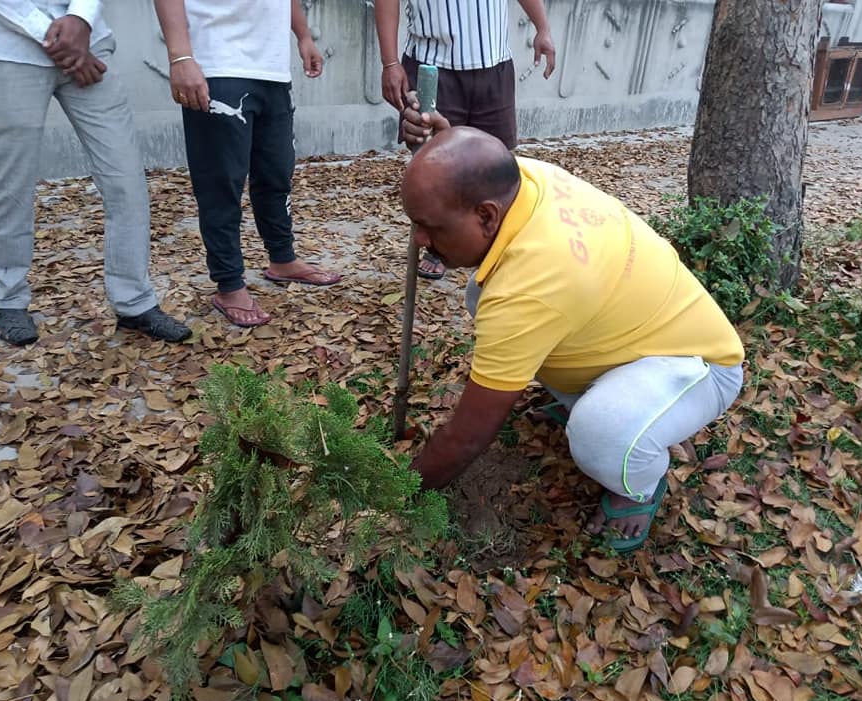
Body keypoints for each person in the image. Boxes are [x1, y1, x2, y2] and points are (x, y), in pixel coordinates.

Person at [399, 114, 745, 553]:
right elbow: (471, 168)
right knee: (480, 295)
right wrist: (445, 143)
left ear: (486, 215)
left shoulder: (531, 287)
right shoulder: (524, 178)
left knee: (600, 434)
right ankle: (597, 398)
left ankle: (639, 485)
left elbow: (467, 437)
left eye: (430, 226)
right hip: (635, 333)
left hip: (700, 367)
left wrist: (399, 493)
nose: (419, 239)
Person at [0, 0, 192, 346]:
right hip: (5, 47)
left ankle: (134, 301)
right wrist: (56, 38)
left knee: (125, 177)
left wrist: (80, 17)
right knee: (7, 184)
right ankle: (9, 298)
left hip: (89, 41)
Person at [154, 0, 341, 329]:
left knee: (276, 173)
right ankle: (229, 284)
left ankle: (282, 258)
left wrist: (303, 36)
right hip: (218, 63)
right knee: (221, 184)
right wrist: (180, 57)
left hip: (272, 69)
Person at [374, 0, 556, 281]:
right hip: (433, 63)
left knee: (496, 165)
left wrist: (543, 28)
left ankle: (500, 246)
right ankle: (438, 245)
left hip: (493, 62)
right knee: (438, 168)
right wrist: (390, 62)